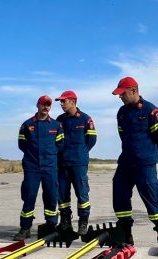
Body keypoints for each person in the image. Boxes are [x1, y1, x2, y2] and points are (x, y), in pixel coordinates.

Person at [111, 77, 158, 244]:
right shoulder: (122, 113)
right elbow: (122, 134)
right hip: (126, 161)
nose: (120, 97)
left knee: (151, 196)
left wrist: (151, 154)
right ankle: (125, 232)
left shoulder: (151, 111)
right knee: (120, 193)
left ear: (134, 91)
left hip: (144, 162)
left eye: (122, 93)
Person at [15, 95, 65, 240]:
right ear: (38, 105)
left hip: (50, 167)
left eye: (48, 105)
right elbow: (22, 145)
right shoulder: (27, 124)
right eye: (43, 104)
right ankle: (25, 228)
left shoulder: (56, 125)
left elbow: (60, 145)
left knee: (51, 196)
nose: (46, 107)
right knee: (29, 196)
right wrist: (33, 157)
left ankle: (50, 226)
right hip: (32, 167)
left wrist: (49, 156)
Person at [55, 90, 97, 236]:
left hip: (78, 163)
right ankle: (65, 222)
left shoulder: (85, 119)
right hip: (62, 164)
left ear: (72, 101)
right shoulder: (59, 120)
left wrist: (81, 153)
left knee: (82, 194)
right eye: (60, 102)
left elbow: (91, 140)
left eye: (63, 101)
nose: (61, 104)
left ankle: (83, 222)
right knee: (62, 195)